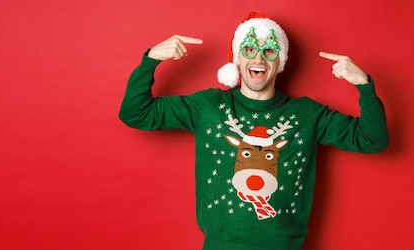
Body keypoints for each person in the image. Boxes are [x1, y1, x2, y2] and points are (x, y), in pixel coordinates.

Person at [119, 12, 389, 250]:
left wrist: (363, 85)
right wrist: (151, 60)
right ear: (237, 59)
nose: (258, 58)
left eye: (269, 51)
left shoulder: (307, 114)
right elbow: (135, 113)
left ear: (279, 61)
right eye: (249, 49)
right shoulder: (209, 106)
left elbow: (372, 139)